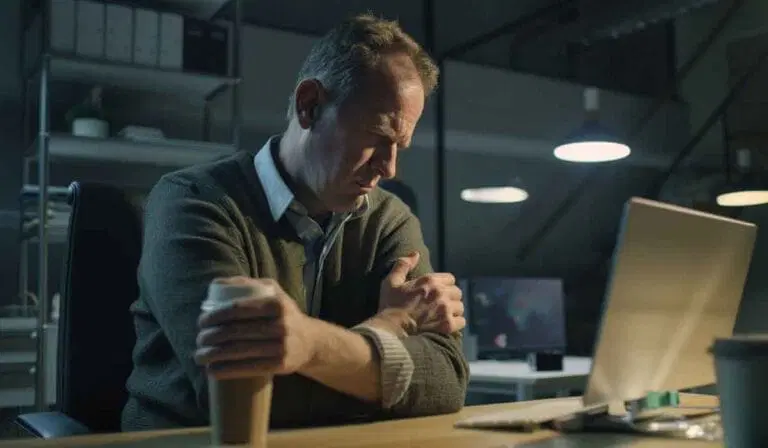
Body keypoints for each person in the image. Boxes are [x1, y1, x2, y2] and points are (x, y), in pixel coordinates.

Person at [121, 14, 469, 431]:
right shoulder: (193, 201)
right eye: (377, 136)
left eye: (400, 145)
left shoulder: (389, 219)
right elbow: (240, 394)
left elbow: (447, 380)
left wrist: (308, 348)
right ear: (310, 106)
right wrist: (390, 327)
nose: (390, 167)